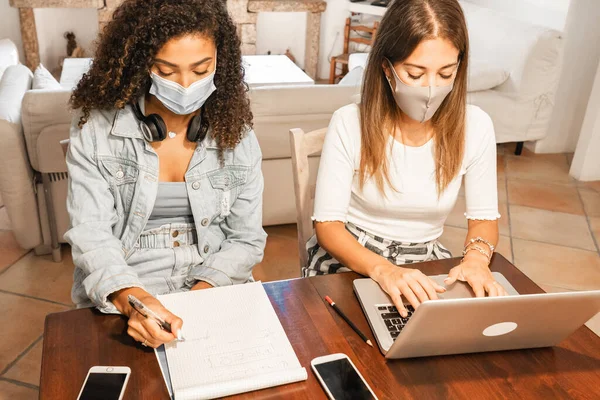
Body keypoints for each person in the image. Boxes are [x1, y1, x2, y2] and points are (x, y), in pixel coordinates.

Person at [65, 0, 266, 348]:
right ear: (140, 64)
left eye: (201, 70)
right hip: (126, 282)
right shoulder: (96, 129)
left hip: (215, 281)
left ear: (221, 62)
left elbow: (246, 239)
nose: (186, 85)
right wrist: (133, 300)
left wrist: (202, 296)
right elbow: (91, 234)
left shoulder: (237, 134)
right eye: (167, 71)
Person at [306, 0, 508, 317]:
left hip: (425, 262)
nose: (430, 89)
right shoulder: (349, 122)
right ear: (386, 69)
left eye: (446, 73)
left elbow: (483, 220)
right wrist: (384, 270)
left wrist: (476, 260)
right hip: (351, 259)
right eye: (415, 73)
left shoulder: (476, 126)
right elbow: (329, 228)